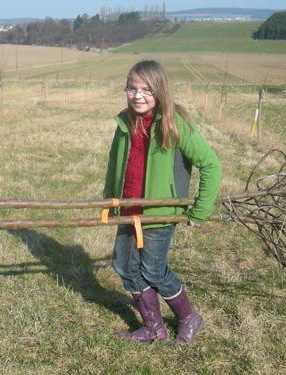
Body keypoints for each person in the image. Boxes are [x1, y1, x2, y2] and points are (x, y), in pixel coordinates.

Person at [103, 60, 222, 345]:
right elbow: (114, 164)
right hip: (128, 211)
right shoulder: (124, 122)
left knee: (154, 270)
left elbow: (211, 165)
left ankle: (189, 317)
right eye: (132, 88)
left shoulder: (174, 123)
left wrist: (200, 210)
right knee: (124, 266)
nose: (138, 95)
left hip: (159, 213)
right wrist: (109, 202)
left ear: (160, 92)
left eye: (146, 89)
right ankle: (154, 328)